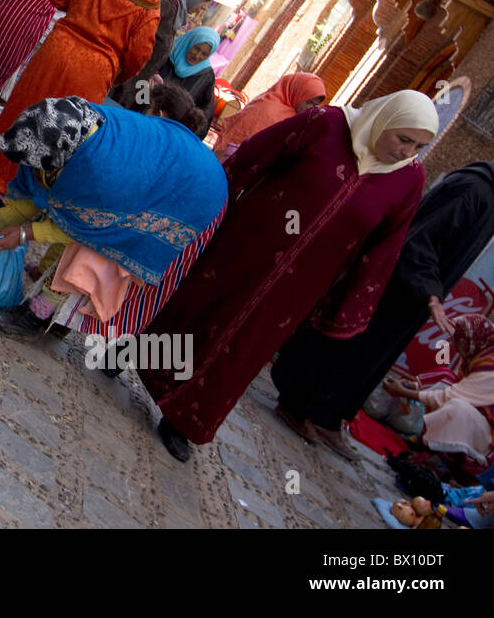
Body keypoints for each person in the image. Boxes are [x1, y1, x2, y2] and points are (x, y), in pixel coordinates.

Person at [139, 90, 438, 461]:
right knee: (195, 310)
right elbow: (256, 154)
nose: (408, 152)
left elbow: (384, 249)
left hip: (299, 286)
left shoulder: (408, 180)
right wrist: (210, 200)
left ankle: (184, 421)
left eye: (419, 146)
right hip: (246, 245)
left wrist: (348, 305)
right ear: (383, 119)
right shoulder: (326, 124)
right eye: (404, 139)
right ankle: (135, 356)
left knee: (243, 349)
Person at [272, 161, 494, 461]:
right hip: (398, 287)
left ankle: (327, 416)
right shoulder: (473, 190)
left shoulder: (486, 196)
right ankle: (298, 406)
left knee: (367, 361)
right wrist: (430, 292)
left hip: (414, 295)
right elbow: (420, 241)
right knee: (350, 349)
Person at [0, 98, 227, 341]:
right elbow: (37, 192)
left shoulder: (101, 174)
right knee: (80, 235)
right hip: (164, 171)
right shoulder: (60, 123)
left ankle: (35, 316)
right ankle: (62, 318)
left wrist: (24, 234)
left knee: (94, 255)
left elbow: (77, 231)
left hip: (195, 194)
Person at [0, 0, 177, 194]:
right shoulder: (150, 9)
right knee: (60, 129)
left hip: (58, 50)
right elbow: (137, 56)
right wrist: (116, 74)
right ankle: (18, 192)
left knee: (23, 107)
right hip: (94, 72)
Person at [383, 315, 494, 466]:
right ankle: (428, 439)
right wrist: (412, 385)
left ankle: (444, 459)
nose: (455, 344)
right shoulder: (479, 355)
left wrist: (403, 392)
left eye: (458, 340)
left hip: (488, 441)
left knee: (457, 408)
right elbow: (455, 384)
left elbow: (449, 396)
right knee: (446, 376)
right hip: (479, 421)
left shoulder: (490, 370)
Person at [108, 0, 223, 110]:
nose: (205, 7)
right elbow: (140, 46)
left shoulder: (176, 9)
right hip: (121, 85)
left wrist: (151, 74)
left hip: (130, 86)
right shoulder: (168, 5)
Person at [119, 27, 219, 138]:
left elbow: (205, 114)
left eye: (204, 54)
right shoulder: (165, 55)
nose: (197, 56)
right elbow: (139, 84)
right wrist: (146, 93)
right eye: (196, 48)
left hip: (168, 135)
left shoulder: (206, 77)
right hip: (137, 120)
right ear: (189, 42)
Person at [213, 72, 326, 160]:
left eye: (314, 105)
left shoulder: (293, 115)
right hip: (228, 159)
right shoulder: (269, 107)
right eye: (309, 102)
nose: (310, 108)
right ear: (298, 92)